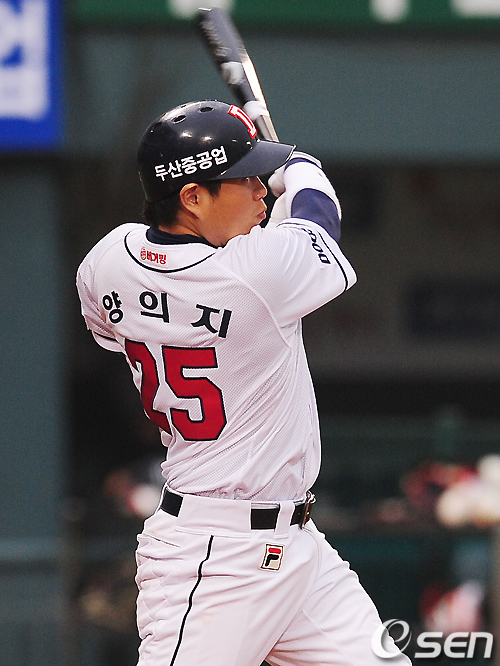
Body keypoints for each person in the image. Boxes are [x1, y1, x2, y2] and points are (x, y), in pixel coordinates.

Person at [77, 100, 411, 666]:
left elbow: (116, 331)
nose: (260, 190)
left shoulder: (107, 260)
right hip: (215, 558)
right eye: (244, 178)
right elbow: (318, 218)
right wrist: (299, 167)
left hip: (296, 549)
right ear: (191, 197)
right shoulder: (255, 273)